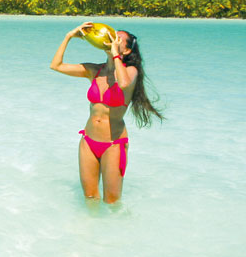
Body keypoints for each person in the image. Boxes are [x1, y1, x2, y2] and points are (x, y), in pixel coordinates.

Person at [49, 23, 163, 203]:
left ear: (126, 50)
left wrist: (115, 54)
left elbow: (123, 83)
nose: (111, 39)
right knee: (90, 198)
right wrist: (69, 36)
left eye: (117, 39)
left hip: (113, 144)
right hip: (88, 141)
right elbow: (56, 65)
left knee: (112, 201)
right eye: (111, 36)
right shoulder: (95, 71)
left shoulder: (131, 71)